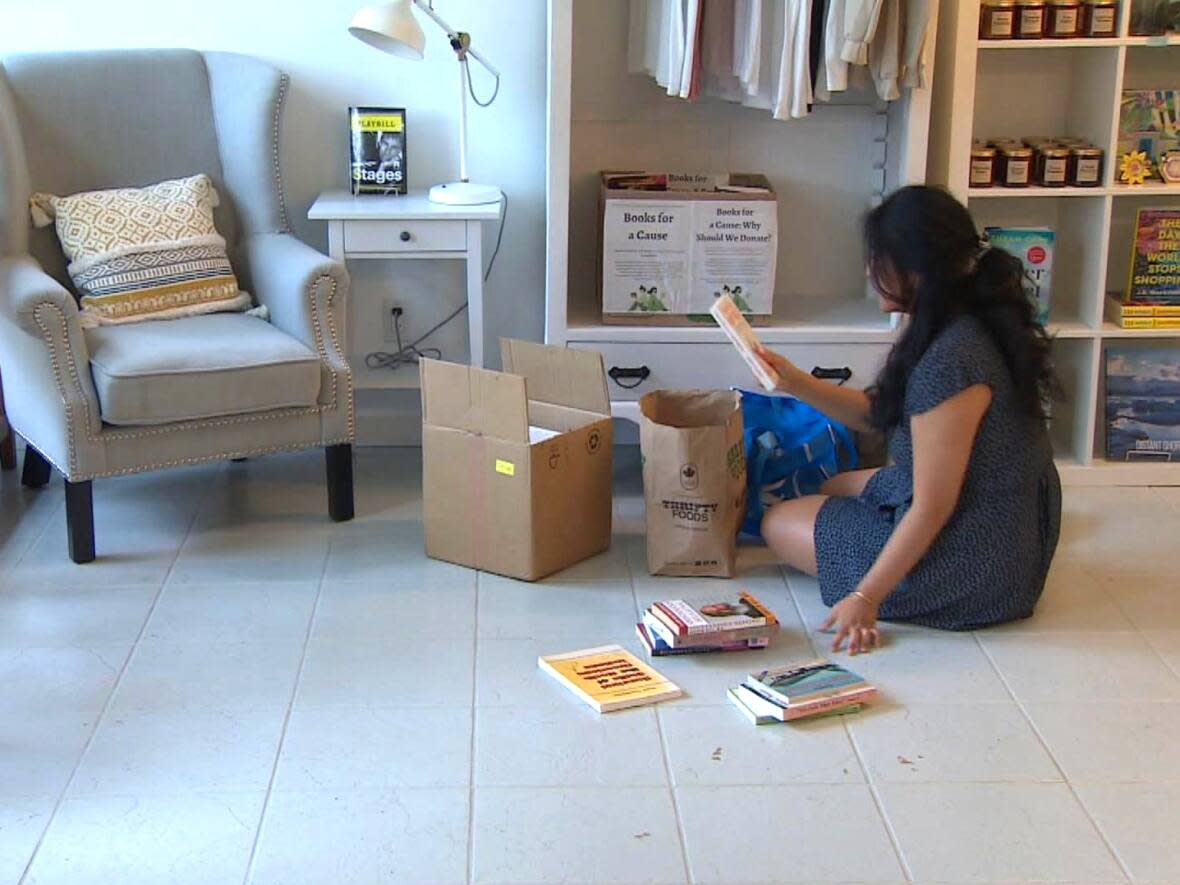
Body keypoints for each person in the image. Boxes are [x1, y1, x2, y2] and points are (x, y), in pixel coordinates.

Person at [757, 186, 1062, 655]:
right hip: (1000, 521)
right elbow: (876, 413)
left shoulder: (952, 359)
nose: (868, 272)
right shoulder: (966, 319)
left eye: (878, 260)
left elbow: (933, 506)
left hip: (975, 561)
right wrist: (793, 380)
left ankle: (906, 580)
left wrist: (865, 597)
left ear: (915, 270)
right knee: (836, 485)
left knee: (779, 522)